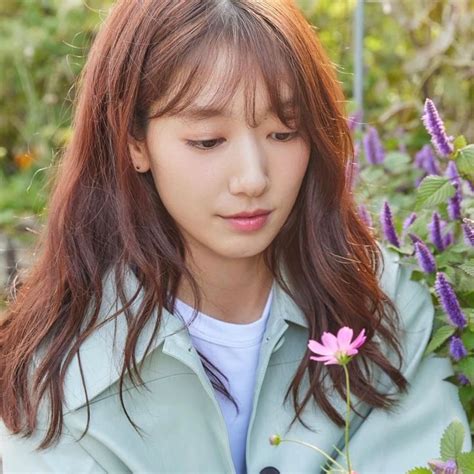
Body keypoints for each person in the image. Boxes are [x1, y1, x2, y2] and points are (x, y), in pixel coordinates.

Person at [0, 1, 470, 473]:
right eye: (208, 140)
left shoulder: (384, 304)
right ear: (135, 142)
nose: (252, 178)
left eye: (285, 133)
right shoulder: (58, 373)